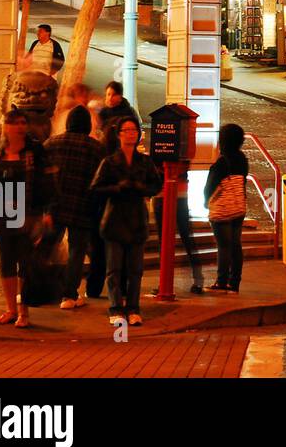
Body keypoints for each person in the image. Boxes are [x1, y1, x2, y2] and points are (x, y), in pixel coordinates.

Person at [0, 108, 56, 327]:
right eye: (14, 123)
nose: (20, 127)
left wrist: (48, 212)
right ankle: (10, 309)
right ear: (5, 126)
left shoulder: (35, 150)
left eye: (23, 122)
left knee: (25, 263)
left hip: (27, 214)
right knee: (6, 262)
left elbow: (48, 183)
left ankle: (24, 310)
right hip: (3, 214)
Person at [90, 117, 162, 327]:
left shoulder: (145, 162)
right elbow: (95, 188)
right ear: (119, 134)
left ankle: (133, 307)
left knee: (135, 269)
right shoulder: (110, 162)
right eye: (127, 130)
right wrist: (117, 187)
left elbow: (156, 185)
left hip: (136, 219)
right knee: (114, 268)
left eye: (134, 130)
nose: (131, 134)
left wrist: (141, 188)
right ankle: (115, 308)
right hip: (114, 218)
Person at [40, 106, 107, 310]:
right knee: (76, 252)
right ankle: (69, 295)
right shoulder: (96, 149)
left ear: (68, 123)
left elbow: (42, 175)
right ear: (87, 125)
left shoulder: (51, 144)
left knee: (46, 247)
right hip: (83, 208)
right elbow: (101, 180)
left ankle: (35, 287)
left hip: (55, 207)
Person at [204, 124, 249, 293]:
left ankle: (221, 281)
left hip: (222, 209)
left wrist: (205, 201)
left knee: (223, 246)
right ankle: (234, 282)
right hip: (238, 207)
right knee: (236, 245)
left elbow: (210, 187)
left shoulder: (222, 161)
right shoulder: (242, 159)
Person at [152, 161, 206, 296]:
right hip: (180, 192)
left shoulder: (158, 144)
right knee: (187, 238)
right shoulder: (183, 143)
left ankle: (163, 283)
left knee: (164, 240)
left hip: (163, 193)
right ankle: (198, 279)